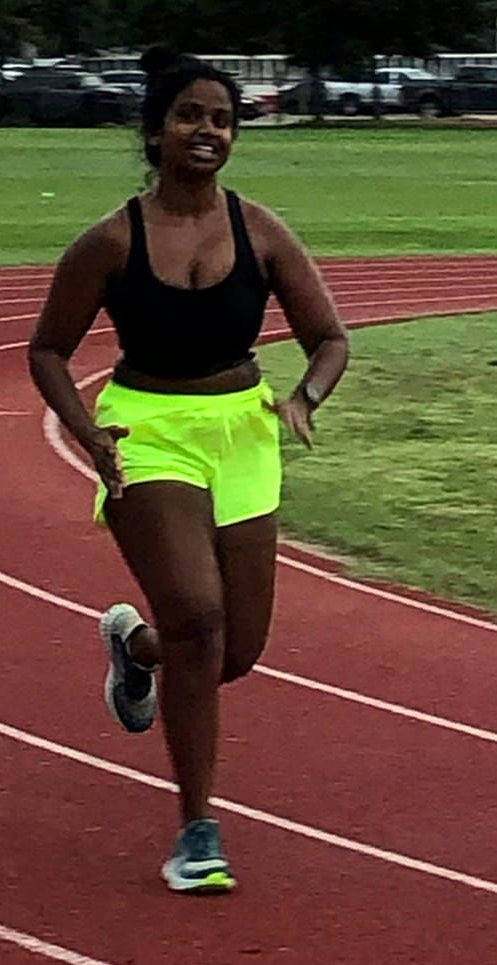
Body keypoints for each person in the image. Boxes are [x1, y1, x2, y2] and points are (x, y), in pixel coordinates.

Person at [26, 52, 354, 895]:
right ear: (154, 129)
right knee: (200, 619)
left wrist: (305, 400)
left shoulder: (263, 230)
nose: (207, 130)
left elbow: (330, 336)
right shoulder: (110, 240)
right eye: (189, 115)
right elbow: (49, 349)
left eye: (222, 119)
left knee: (235, 650)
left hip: (243, 432)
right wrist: (90, 435)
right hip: (150, 432)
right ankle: (196, 830)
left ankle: (133, 647)